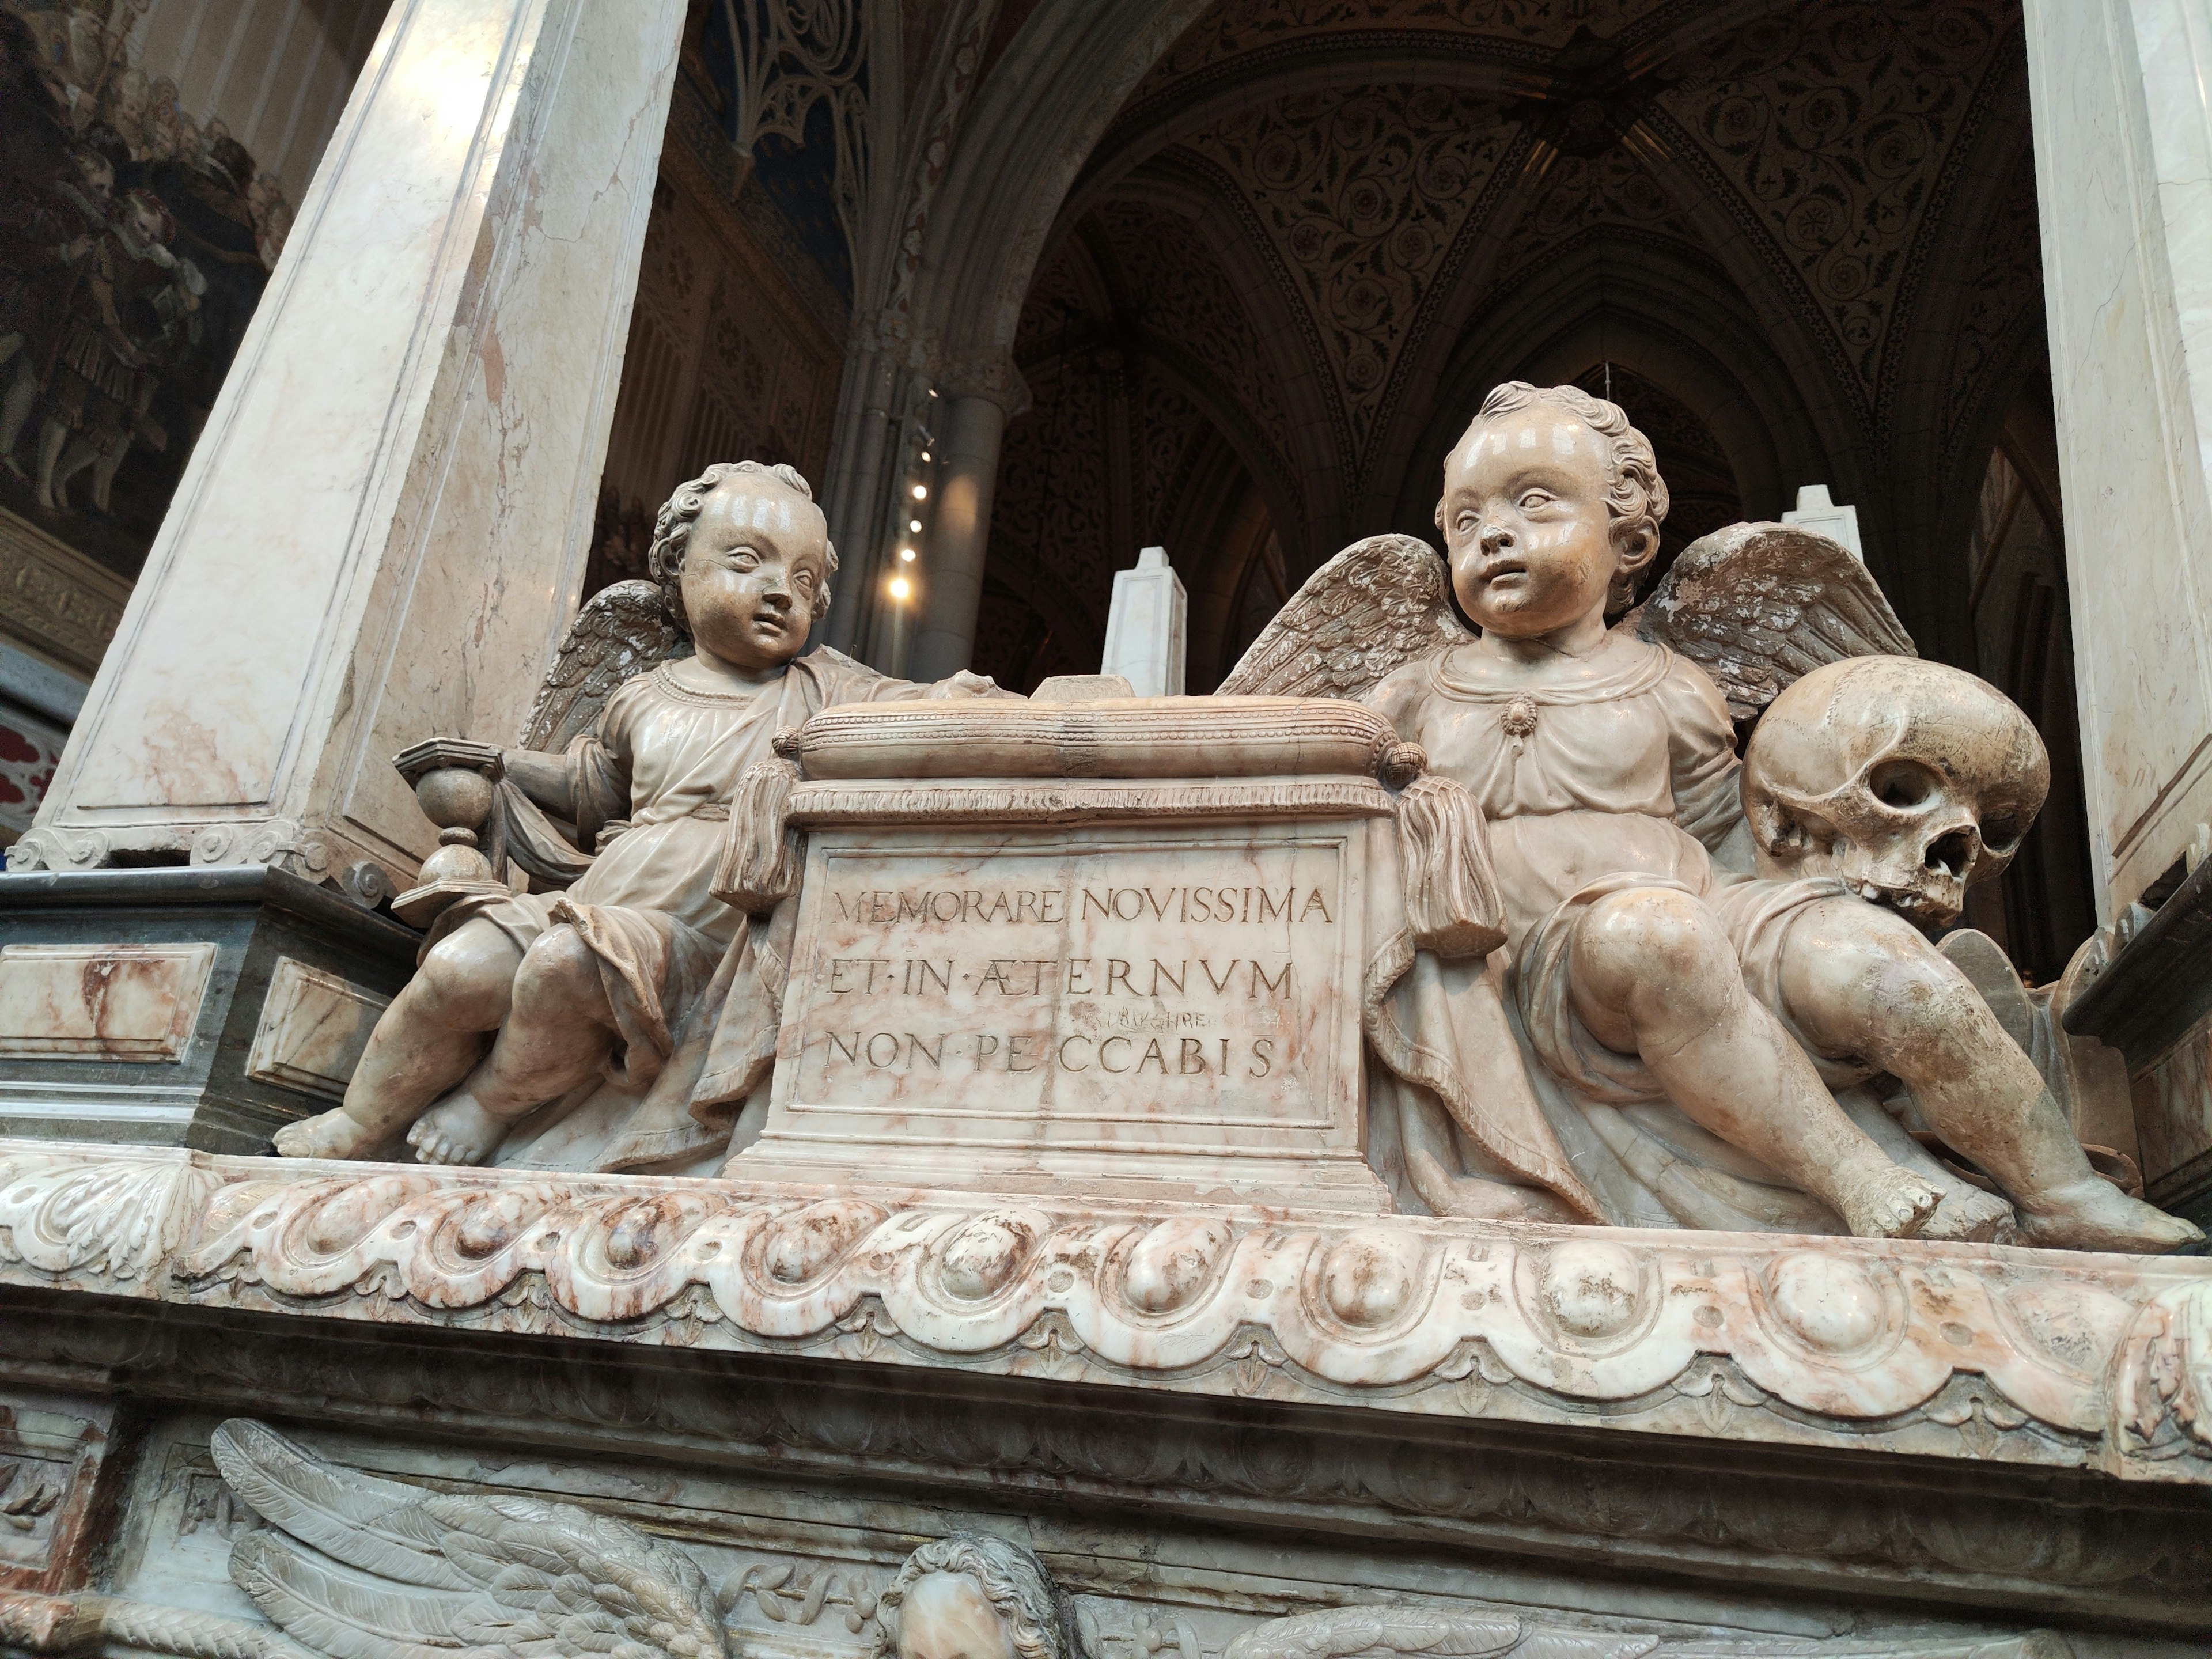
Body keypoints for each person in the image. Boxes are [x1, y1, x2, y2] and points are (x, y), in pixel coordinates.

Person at [1366, 382, 2195, 1249]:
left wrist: (1829, 901)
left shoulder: (1673, 686)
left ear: (1628, 538)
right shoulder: (1411, 694)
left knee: (1874, 964)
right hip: (1530, 956)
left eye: (1534, 503)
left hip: (1703, 900)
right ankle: (1859, 1178)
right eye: (1464, 521)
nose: (1492, 532)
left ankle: (2061, 1190)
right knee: (1657, 936)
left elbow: (1731, 832)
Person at [276, 461, 1009, 1171]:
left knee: (568, 968)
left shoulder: (828, 688)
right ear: (679, 567)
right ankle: (360, 1119)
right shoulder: (642, 697)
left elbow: (915, 711)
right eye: (748, 561)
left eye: (804, 579)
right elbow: (594, 787)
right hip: (605, 892)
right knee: (457, 969)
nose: (780, 591)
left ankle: (490, 1103)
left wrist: (960, 701)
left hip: (707, 933)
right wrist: (501, 764)